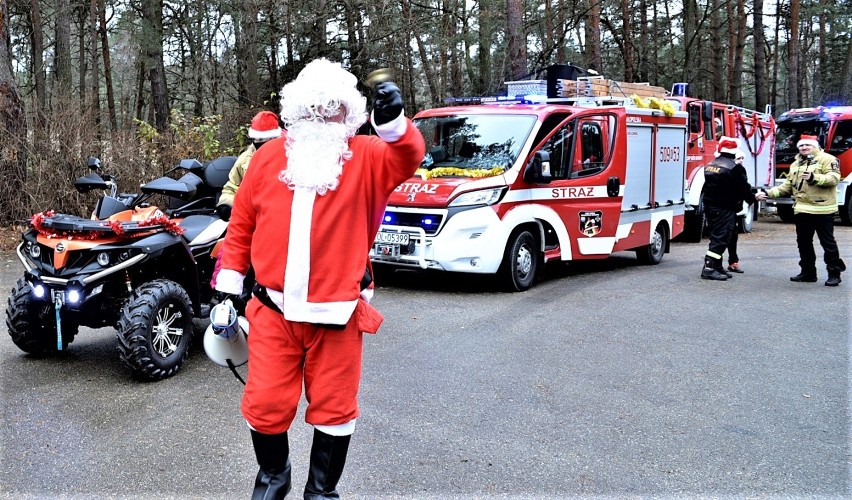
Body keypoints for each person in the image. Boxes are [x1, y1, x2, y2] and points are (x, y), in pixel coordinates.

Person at [214, 58, 425, 499]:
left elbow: (408, 156)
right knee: (265, 404)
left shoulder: (367, 156)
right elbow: (241, 228)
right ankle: (274, 476)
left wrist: (392, 124)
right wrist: (227, 287)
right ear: (297, 112)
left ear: (347, 114)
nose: (320, 118)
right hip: (272, 312)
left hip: (339, 316)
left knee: (334, 410)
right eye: (312, 109)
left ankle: (321, 491)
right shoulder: (268, 157)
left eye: (331, 109)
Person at [756, 134, 845, 286]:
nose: (804, 148)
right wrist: (768, 194)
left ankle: (834, 273)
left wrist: (814, 178)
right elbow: (788, 186)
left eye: (807, 145)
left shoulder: (828, 159)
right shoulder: (796, 164)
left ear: (815, 146)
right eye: (801, 146)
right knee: (804, 243)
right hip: (802, 210)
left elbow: (834, 178)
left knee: (827, 243)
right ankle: (808, 273)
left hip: (823, 210)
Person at [700, 137, 756, 280]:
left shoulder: (711, 164)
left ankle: (718, 267)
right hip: (725, 208)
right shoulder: (735, 167)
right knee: (721, 238)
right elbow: (744, 188)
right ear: (735, 151)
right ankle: (709, 268)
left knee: (717, 236)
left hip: (710, 207)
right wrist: (752, 199)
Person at [216, 110, 283, 222]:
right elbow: (232, 187)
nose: (263, 143)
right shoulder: (245, 160)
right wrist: (227, 204)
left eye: (268, 140)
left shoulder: (289, 158)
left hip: (277, 218)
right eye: (260, 140)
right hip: (252, 218)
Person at [725, 150, 748, 273]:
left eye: (742, 158)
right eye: (738, 158)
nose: (740, 161)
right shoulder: (735, 170)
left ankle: (733, 262)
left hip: (732, 209)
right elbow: (744, 189)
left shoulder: (738, 170)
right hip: (728, 209)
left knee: (733, 236)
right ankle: (716, 264)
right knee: (727, 236)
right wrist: (752, 198)